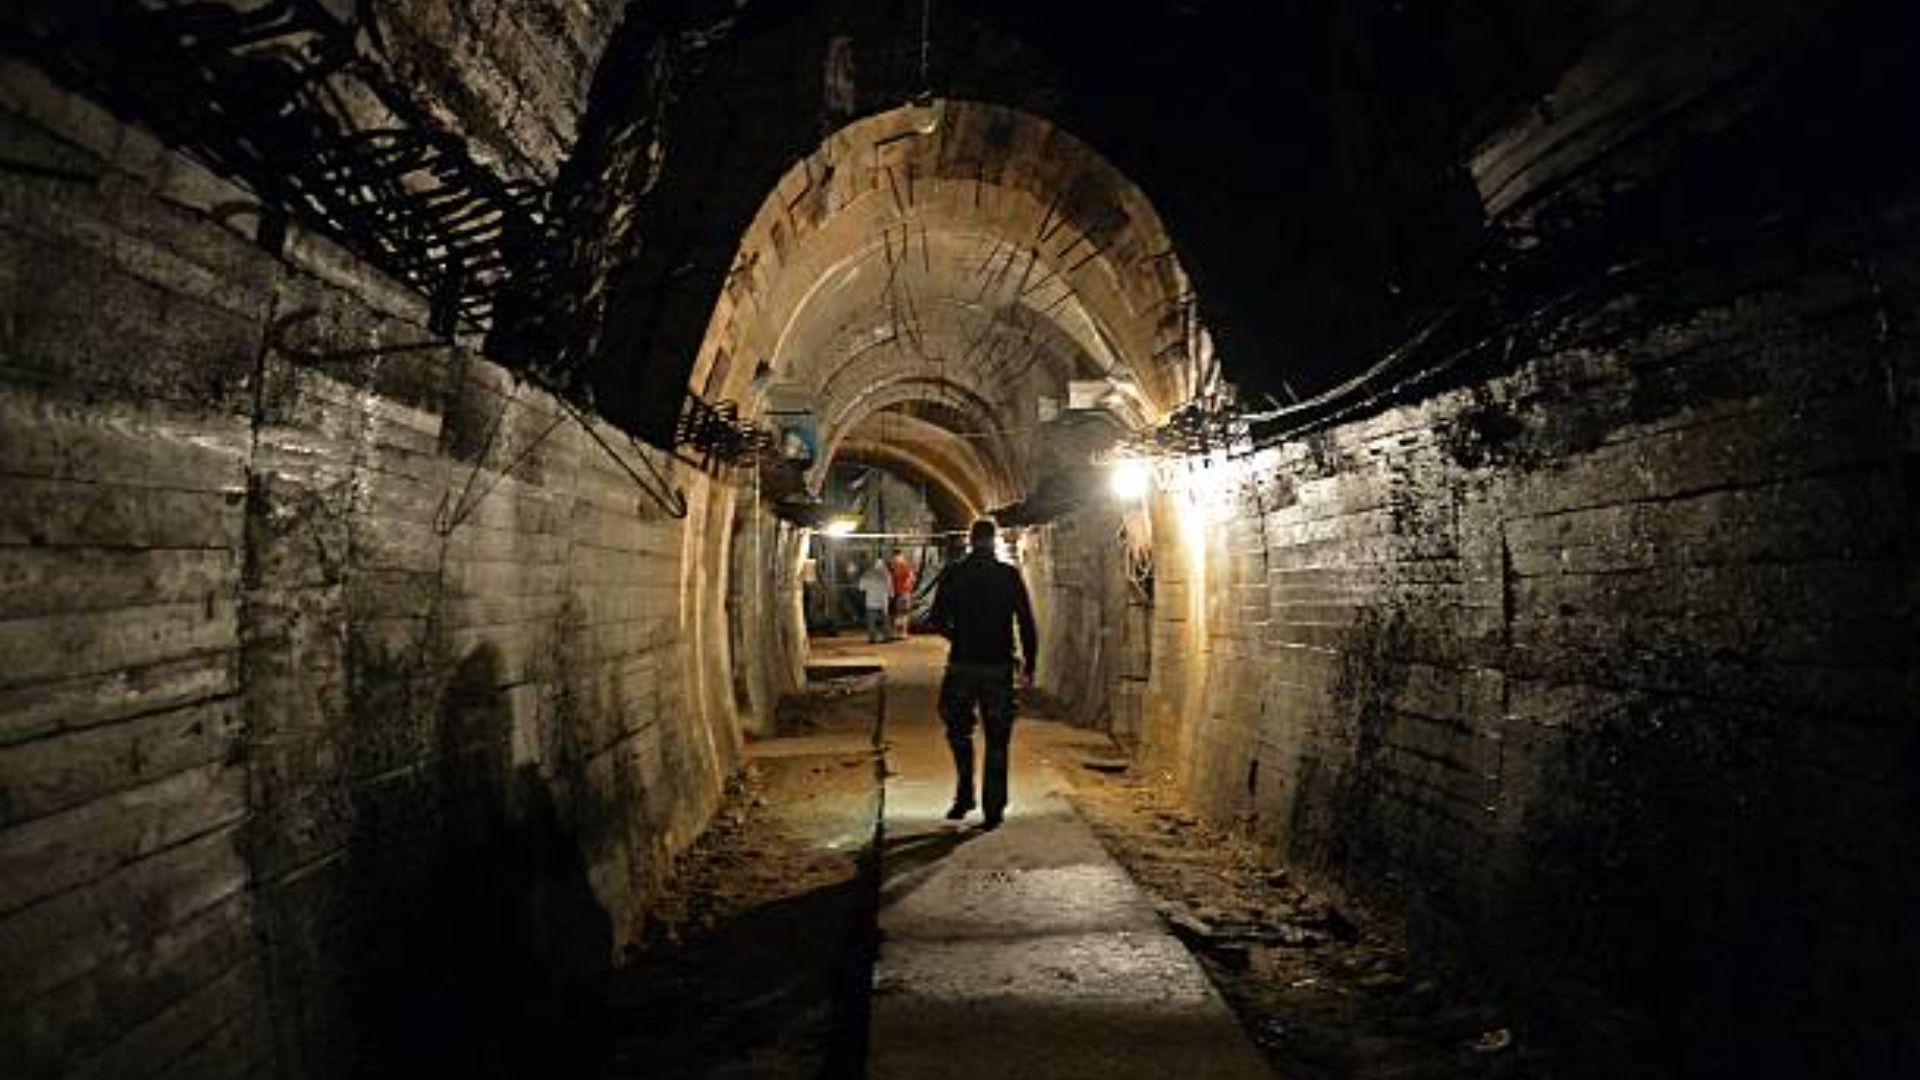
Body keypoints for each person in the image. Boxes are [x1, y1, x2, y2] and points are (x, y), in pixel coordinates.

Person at [927, 518, 1038, 830]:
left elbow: (936, 618)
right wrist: (1030, 662)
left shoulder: (954, 574)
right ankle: (994, 808)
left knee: (957, 729)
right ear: (995, 540)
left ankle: (964, 794)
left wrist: (958, 636)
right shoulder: (1008, 576)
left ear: (970, 540)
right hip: (999, 666)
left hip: (963, 663)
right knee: (998, 738)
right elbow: (1026, 621)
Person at [858, 557, 892, 643]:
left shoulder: (868, 574)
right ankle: (886, 636)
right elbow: (890, 588)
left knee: (871, 620)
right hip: (883, 601)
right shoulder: (886, 574)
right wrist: (891, 595)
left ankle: (872, 638)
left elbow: (861, 588)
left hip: (871, 600)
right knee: (885, 619)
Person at [888, 548, 917, 639]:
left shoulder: (891, 565)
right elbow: (912, 579)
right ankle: (902, 633)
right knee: (903, 613)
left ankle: (896, 633)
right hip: (904, 592)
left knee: (897, 613)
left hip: (895, 592)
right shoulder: (906, 565)